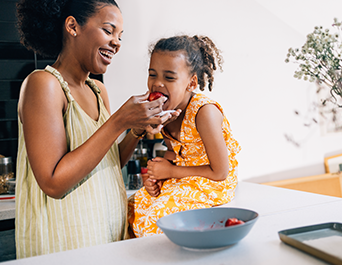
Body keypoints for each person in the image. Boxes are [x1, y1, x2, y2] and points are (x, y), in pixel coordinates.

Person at [15, 0, 178, 258]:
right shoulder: (43, 84)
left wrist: (136, 129)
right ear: (72, 26)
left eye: (120, 36)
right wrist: (120, 121)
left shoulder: (98, 90)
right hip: (66, 243)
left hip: (107, 236)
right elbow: (53, 182)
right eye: (108, 30)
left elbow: (110, 161)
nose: (117, 42)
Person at [128, 35, 241, 237]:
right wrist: (157, 174)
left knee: (160, 215)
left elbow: (220, 171)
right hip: (187, 173)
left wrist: (169, 171)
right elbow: (178, 154)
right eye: (153, 75)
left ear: (191, 83)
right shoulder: (167, 112)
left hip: (212, 182)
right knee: (133, 206)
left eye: (169, 77)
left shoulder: (204, 113)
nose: (158, 84)